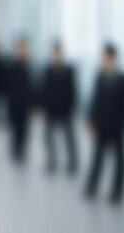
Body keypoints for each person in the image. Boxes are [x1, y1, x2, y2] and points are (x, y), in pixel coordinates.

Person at [85, 44, 124, 205]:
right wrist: (92, 120)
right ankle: (92, 186)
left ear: (113, 58)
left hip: (118, 126)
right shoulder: (100, 77)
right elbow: (95, 101)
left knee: (120, 160)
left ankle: (117, 191)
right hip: (102, 124)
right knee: (97, 157)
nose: (105, 61)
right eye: (103, 58)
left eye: (107, 58)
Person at [42, 42, 77, 174]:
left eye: (58, 53)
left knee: (69, 137)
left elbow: (72, 91)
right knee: (48, 136)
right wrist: (43, 106)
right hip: (51, 109)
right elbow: (45, 90)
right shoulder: (48, 70)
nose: (56, 55)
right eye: (54, 53)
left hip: (65, 109)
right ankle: (52, 159)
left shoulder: (69, 70)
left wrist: (72, 107)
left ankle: (72, 161)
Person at [4, 37, 33, 164]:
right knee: (16, 130)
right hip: (15, 104)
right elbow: (8, 88)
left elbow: (32, 87)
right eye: (20, 48)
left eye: (24, 48)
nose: (22, 51)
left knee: (25, 130)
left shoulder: (29, 65)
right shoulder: (12, 66)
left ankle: (21, 151)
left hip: (26, 104)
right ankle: (16, 151)